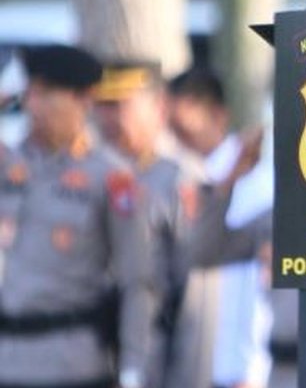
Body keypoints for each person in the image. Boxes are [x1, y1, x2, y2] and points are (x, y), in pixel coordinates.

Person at [0, 45, 155, 388]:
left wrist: (132, 369)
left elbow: (137, 281)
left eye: (47, 94)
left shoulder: (111, 178)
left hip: (71, 364)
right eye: (30, 92)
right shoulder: (10, 165)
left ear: (82, 100)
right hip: (7, 362)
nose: (33, 105)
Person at [92, 58, 217, 388]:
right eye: (102, 105)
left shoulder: (180, 179)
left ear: (159, 107)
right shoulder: (98, 175)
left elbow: (197, 300)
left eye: (119, 105)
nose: (107, 118)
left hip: (154, 358)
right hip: (93, 355)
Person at [168, 66, 274, 388]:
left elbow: (253, 283)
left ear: (217, 115)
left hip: (235, 366)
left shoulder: (251, 177)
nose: (175, 133)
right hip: (194, 358)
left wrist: (248, 369)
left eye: (183, 124)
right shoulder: (186, 173)